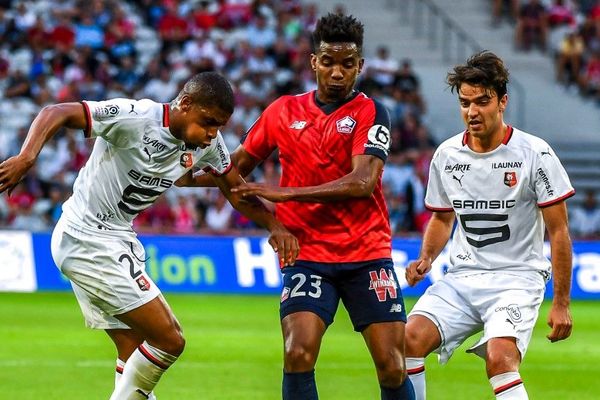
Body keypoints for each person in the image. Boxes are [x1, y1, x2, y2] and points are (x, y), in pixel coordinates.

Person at [0, 71, 299, 399]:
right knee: (170, 339)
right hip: (87, 236)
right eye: (208, 122)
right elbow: (55, 112)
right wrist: (27, 157)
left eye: (219, 127)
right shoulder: (135, 117)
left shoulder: (207, 144)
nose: (212, 134)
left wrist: (275, 226)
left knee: (133, 351)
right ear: (184, 104)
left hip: (116, 238)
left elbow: (235, 190)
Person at [179, 13, 415, 400]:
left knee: (392, 365)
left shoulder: (371, 112)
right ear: (313, 63)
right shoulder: (282, 111)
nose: (337, 73)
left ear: (360, 67)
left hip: (366, 253)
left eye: (347, 64)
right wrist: (183, 175)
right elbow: (233, 169)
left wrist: (284, 194)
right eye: (328, 62)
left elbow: (362, 183)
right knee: (297, 352)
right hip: (306, 254)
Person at [404, 51, 574, 400]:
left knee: (499, 358)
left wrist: (561, 303)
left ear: (502, 101)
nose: (472, 111)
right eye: (465, 103)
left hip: (517, 278)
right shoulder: (447, 155)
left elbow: (558, 231)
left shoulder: (534, 154)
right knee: (407, 339)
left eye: (482, 101)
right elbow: (441, 216)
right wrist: (427, 257)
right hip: (463, 278)